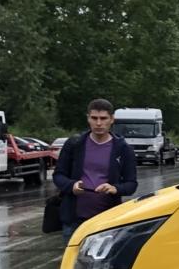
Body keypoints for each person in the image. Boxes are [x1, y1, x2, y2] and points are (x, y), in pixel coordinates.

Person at [54, 99, 138, 244]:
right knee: (73, 258)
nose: (98, 123)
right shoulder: (74, 144)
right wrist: (71, 186)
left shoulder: (123, 149)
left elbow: (131, 184)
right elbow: (58, 175)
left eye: (103, 118)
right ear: (88, 118)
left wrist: (115, 188)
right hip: (74, 221)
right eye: (94, 118)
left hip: (108, 221)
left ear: (112, 119)